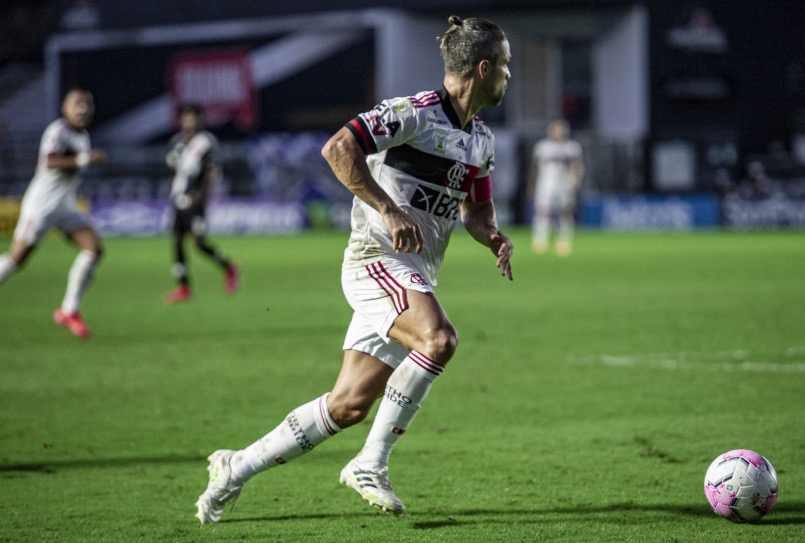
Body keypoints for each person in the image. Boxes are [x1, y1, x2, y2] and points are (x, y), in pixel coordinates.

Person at [194, 15, 514, 524]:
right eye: (505, 65)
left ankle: (234, 467)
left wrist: (492, 236)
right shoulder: (413, 113)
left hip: (414, 275)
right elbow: (338, 148)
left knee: (347, 406)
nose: (508, 76)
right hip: (376, 261)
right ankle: (371, 463)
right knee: (439, 340)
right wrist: (388, 209)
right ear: (482, 68)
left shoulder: (481, 140)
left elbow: (476, 212)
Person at [0, 89, 106, 338]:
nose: (83, 109)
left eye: (87, 104)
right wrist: (84, 159)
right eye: (77, 104)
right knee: (17, 259)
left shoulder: (83, 135)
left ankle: (69, 311)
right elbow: (50, 161)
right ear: (64, 109)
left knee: (93, 249)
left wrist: (83, 158)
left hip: (65, 204)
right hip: (42, 205)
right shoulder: (58, 132)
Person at [163, 103, 238, 303]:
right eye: (186, 118)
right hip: (178, 199)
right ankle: (183, 286)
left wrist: (198, 197)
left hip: (196, 201)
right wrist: (176, 192)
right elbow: (173, 170)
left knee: (198, 242)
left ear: (199, 120)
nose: (189, 122)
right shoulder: (176, 143)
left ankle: (228, 266)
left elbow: (211, 172)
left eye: (193, 118)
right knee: (177, 240)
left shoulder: (206, 142)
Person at [528, 119, 584, 256]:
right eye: (556, 129)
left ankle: (564, 241)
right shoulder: (542, 147)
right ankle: (540, 240)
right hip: (545, 184)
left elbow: (577, 166)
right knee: (542, 212)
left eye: (562, 129)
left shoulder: (572, 147)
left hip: (564, 184)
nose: (559, 132)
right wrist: (531, 184)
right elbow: (534, 168)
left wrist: (575, 180)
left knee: (565, 212)